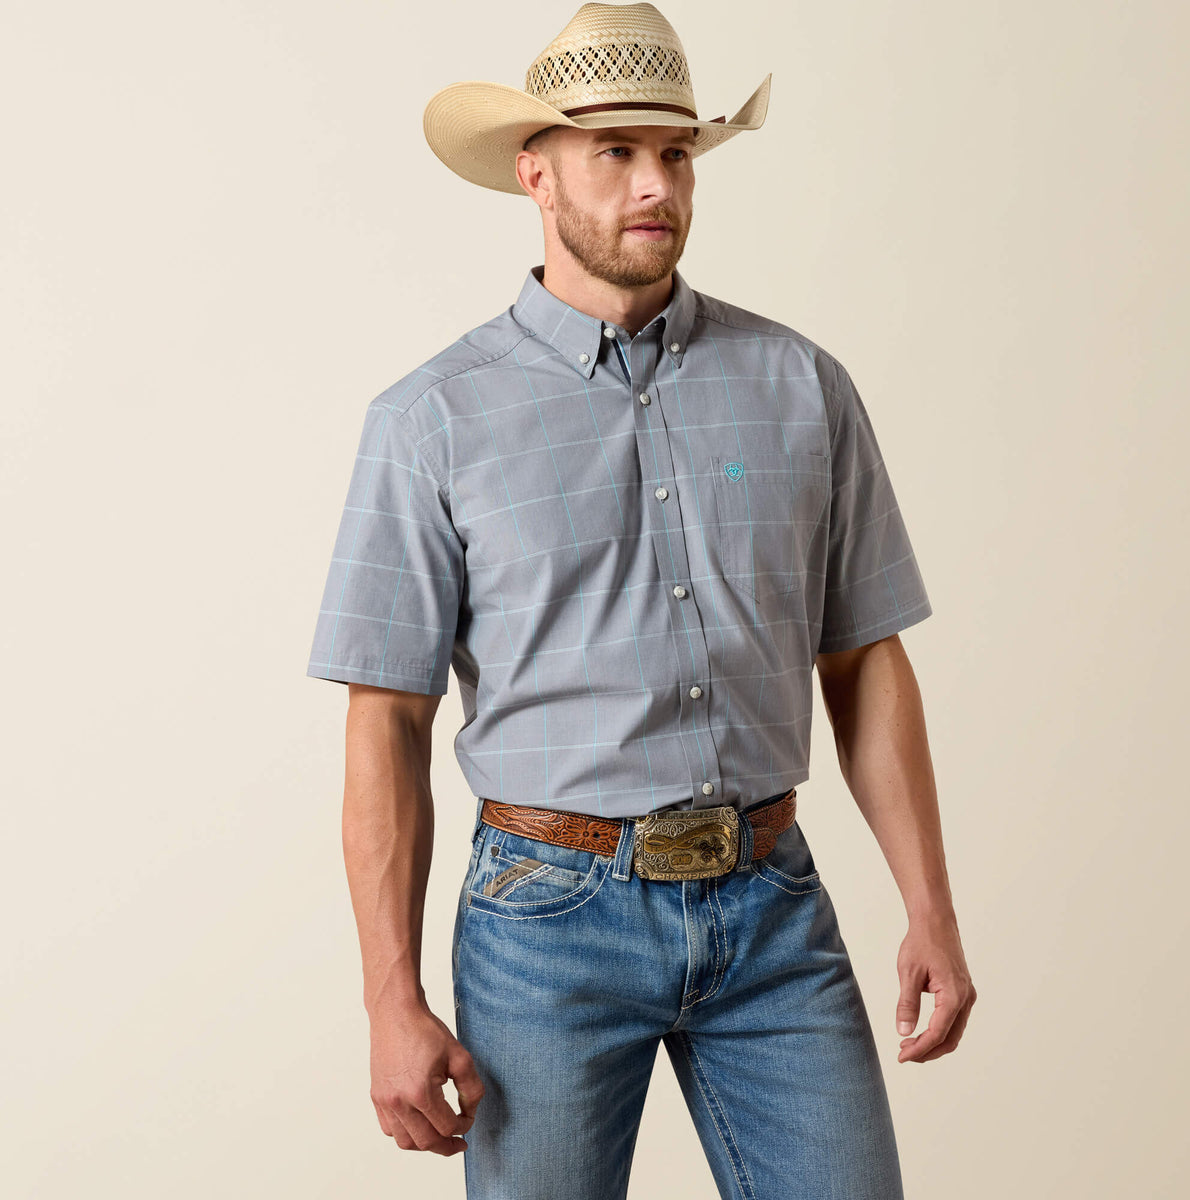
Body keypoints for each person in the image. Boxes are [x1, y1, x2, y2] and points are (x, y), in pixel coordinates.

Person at [305, 4, 976, 1197]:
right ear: (536, 173)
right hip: (545, 924)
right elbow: (387, 721)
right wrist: (388, 997)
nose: (654, 182)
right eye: (613, 151)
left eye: (674, 153)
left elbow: (863, 659)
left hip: (774, 909)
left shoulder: (801, 386)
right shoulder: (430, 423)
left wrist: (931, 909)